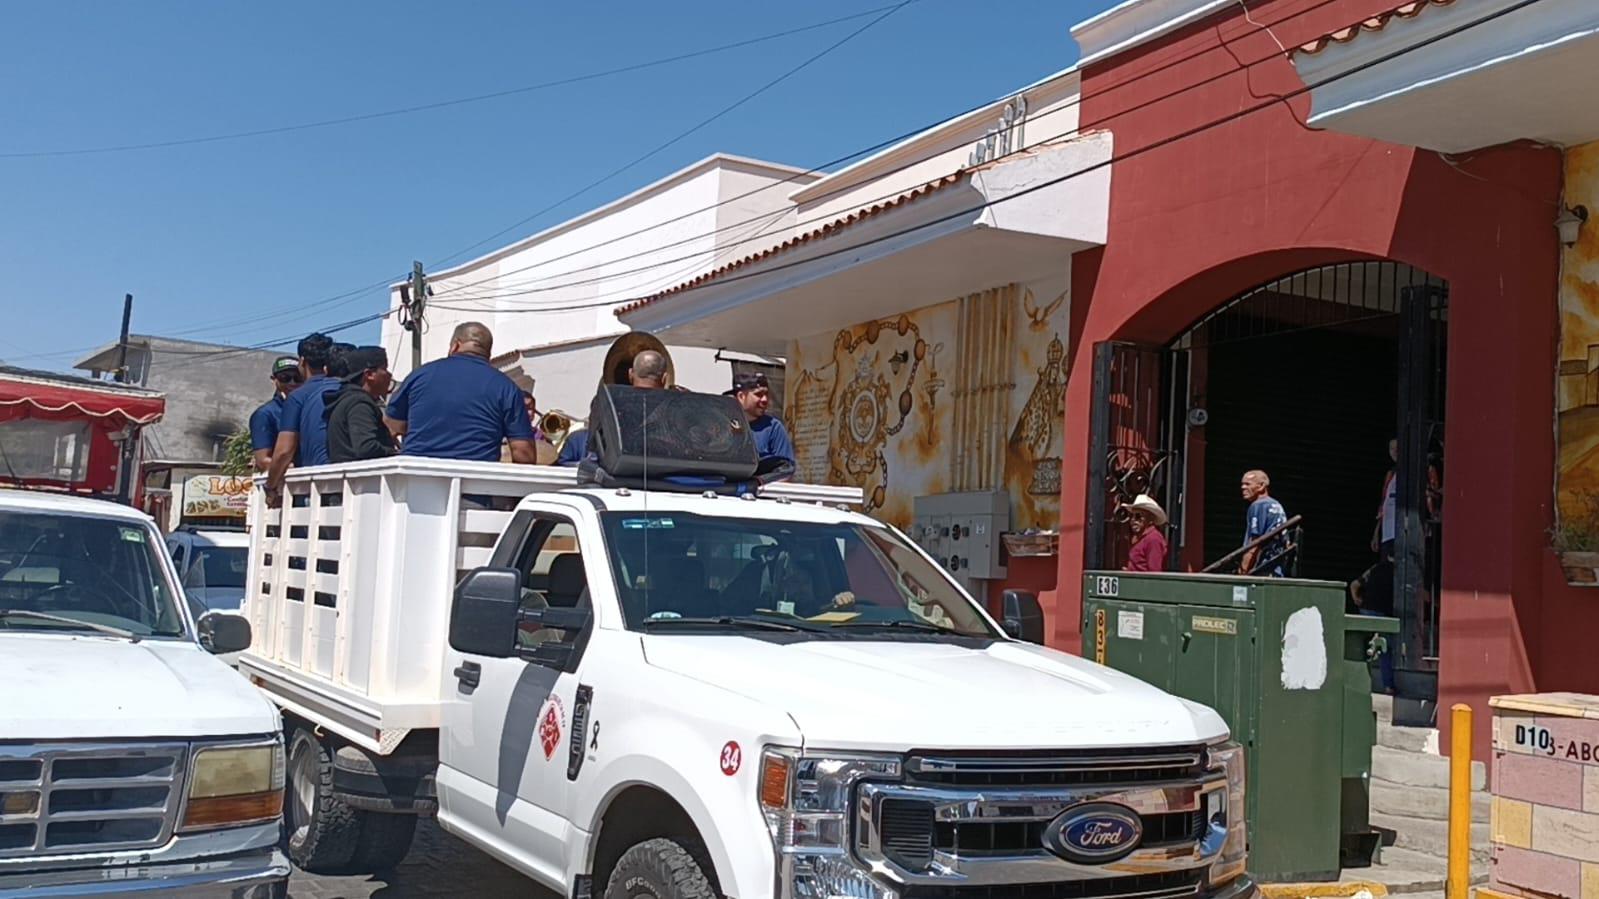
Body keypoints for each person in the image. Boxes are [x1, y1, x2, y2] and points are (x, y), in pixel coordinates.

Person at [383, 322, 537, 463]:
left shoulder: (420, 375)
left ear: (455, 345)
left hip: (416, 480)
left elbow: (393, 424)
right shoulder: (507, 387)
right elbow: (524, 453)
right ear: (488, 352)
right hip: (474, 485)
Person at [557, 350, 668, 466]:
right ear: (664, 378)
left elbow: (594, 449)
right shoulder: (674, 406)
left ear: (630, 374)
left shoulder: (606, 403)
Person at [265, 333, 338, 505]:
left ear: (302, 361)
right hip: (350, 483)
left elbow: (284, 451)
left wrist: (271, 486)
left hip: (313, 488)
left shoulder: (298, 397)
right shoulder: (344, 388)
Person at [324, 346, 396, 463]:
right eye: (385, 369)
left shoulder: (347, 399)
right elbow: (366, 447)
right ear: (369, 374)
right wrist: (394, 453)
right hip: (361, 479)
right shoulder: (360, 403)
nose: (389, 375)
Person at [728, 371, 794, 480]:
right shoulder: (723, 424)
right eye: (758, 394)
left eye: (766, 394)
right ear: (741, 396)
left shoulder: (774, 427)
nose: (765, 400)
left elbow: (786, 471)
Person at [248, 357, 302, 472]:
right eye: (285, 378)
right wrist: (295, 468)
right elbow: (263, 461)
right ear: (274, 379)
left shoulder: (307, 408)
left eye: (298, 378)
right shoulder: (265, 414)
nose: (292, 383)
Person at [1239, 469, 1289, 576]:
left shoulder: (1258, 505)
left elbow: (1255, 543)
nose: (1243, 487)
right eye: (1242, 484)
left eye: (1247, 484)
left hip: (1264, 568)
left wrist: (1243, 570)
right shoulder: (1276, 504)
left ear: (1261, 486)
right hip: (1277, 568)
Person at [1120, 494, 1170, 573]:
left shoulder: (1153, 539)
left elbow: (1154, 573)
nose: (1133, 520)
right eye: (1131, 516)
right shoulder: (1139, 538)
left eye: (1138, 516)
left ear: (1150, 519)